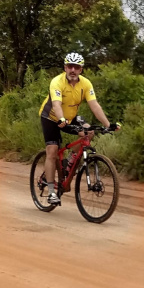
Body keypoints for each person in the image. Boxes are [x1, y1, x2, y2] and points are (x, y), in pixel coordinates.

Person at [38, 52, 119, 205]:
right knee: (52, 151)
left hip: (70, 117)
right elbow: (56, 104)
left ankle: (69, 162)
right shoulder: (57, 82)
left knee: (89, 132)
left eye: (76, 67)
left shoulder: (86, 84)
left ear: (81, 69)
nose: (73, 70)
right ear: (65, 68)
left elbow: (94, 105)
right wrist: (61, 119)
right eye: (70, 67)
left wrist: (108, 125)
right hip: (52, 118)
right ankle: (51, 192)